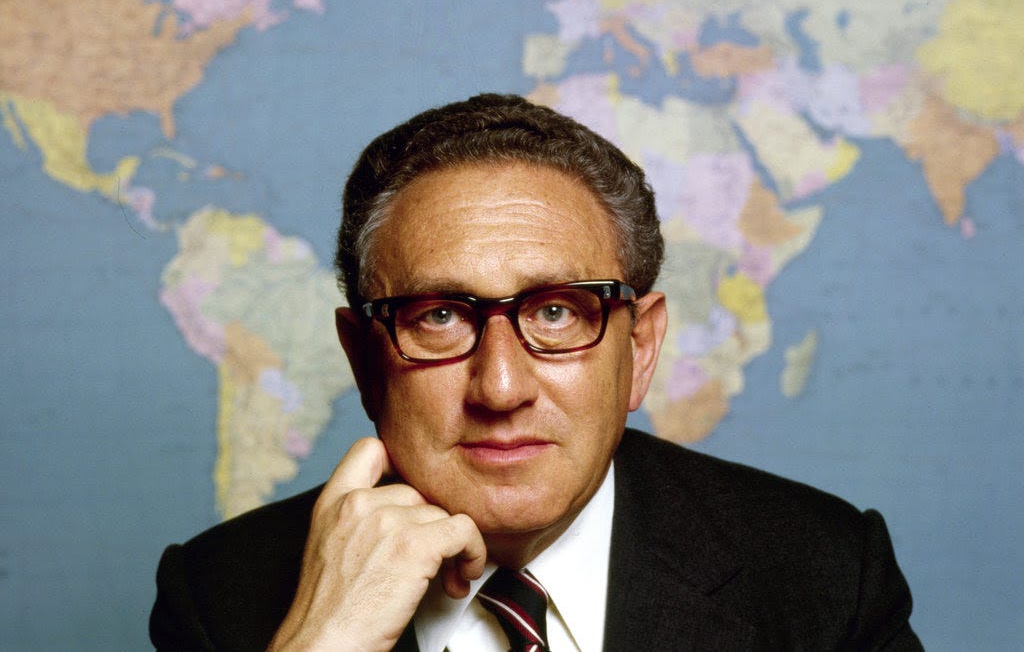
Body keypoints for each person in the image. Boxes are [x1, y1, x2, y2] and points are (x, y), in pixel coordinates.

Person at [150, 94, 921, 651]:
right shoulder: (222, 596)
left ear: (640, 348)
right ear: (363, 358)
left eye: (557, 312)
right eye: (440, 316)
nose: (500, 387)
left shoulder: (824, 576)